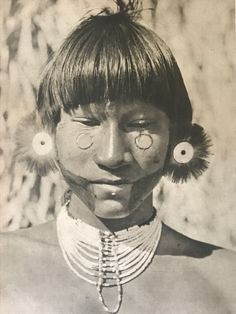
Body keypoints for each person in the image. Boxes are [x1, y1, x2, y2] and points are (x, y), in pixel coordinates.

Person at [1, 3, 236, 314]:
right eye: (88, 123)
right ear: (48, 132)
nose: (112, 156)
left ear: (177, 139)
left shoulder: (226, 282)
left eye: (140, 125)